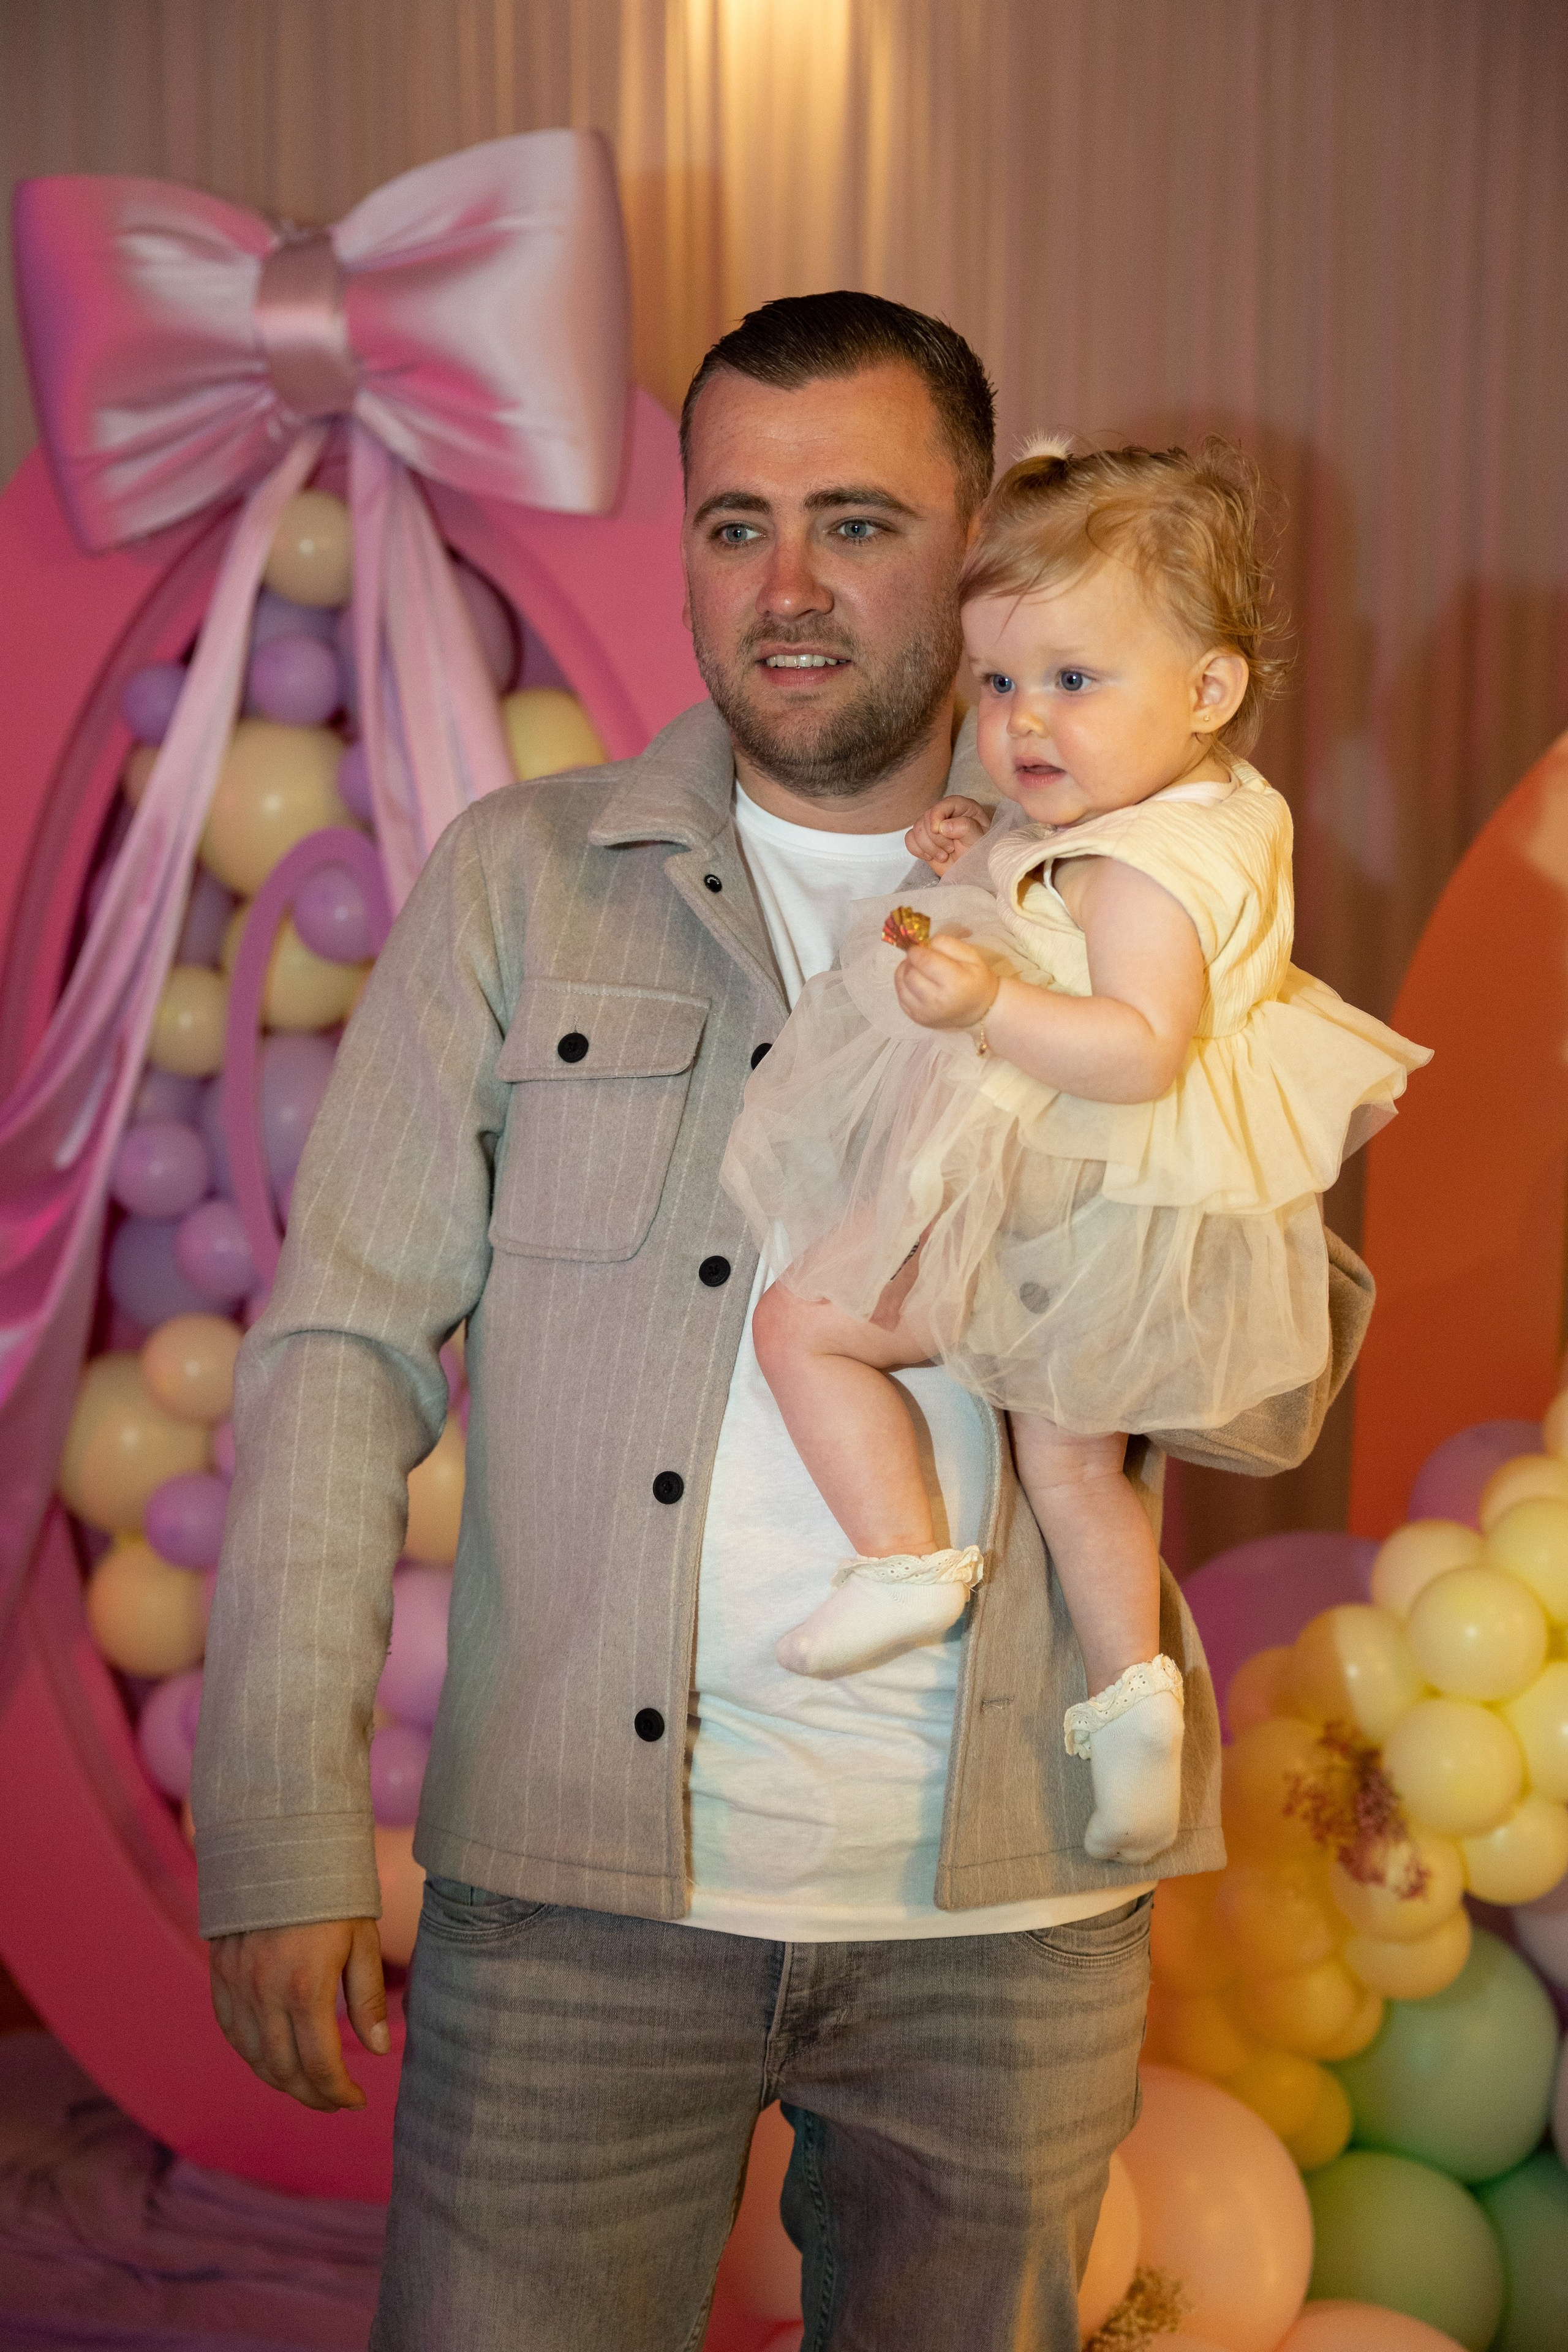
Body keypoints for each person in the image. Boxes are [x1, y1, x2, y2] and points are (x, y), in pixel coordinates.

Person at [192, 293, 1374, 2352]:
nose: (792, 587)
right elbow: (332, 1356)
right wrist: (282, 1819)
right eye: (736, 526)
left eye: (856, 520)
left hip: (1002, 1924)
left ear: (982, 534)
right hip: (572, 1905)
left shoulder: (1153, 911)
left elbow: (1233, 1349)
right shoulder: (521, 882)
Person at [723, 437, 1428, 1868]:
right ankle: (1134, 1714)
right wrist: (983, 838)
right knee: (1070, 1476)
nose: (1021, 721)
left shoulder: (1132, 870)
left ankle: (903, 1558)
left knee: (803, 1322)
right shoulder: (1205, 803)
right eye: (995, 684)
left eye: (1069, 681)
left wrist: (990, 1002)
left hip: (1061, 1208)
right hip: (1129, 1227)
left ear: (1209, 686)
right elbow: (1069, 861)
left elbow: (1135, 1045)